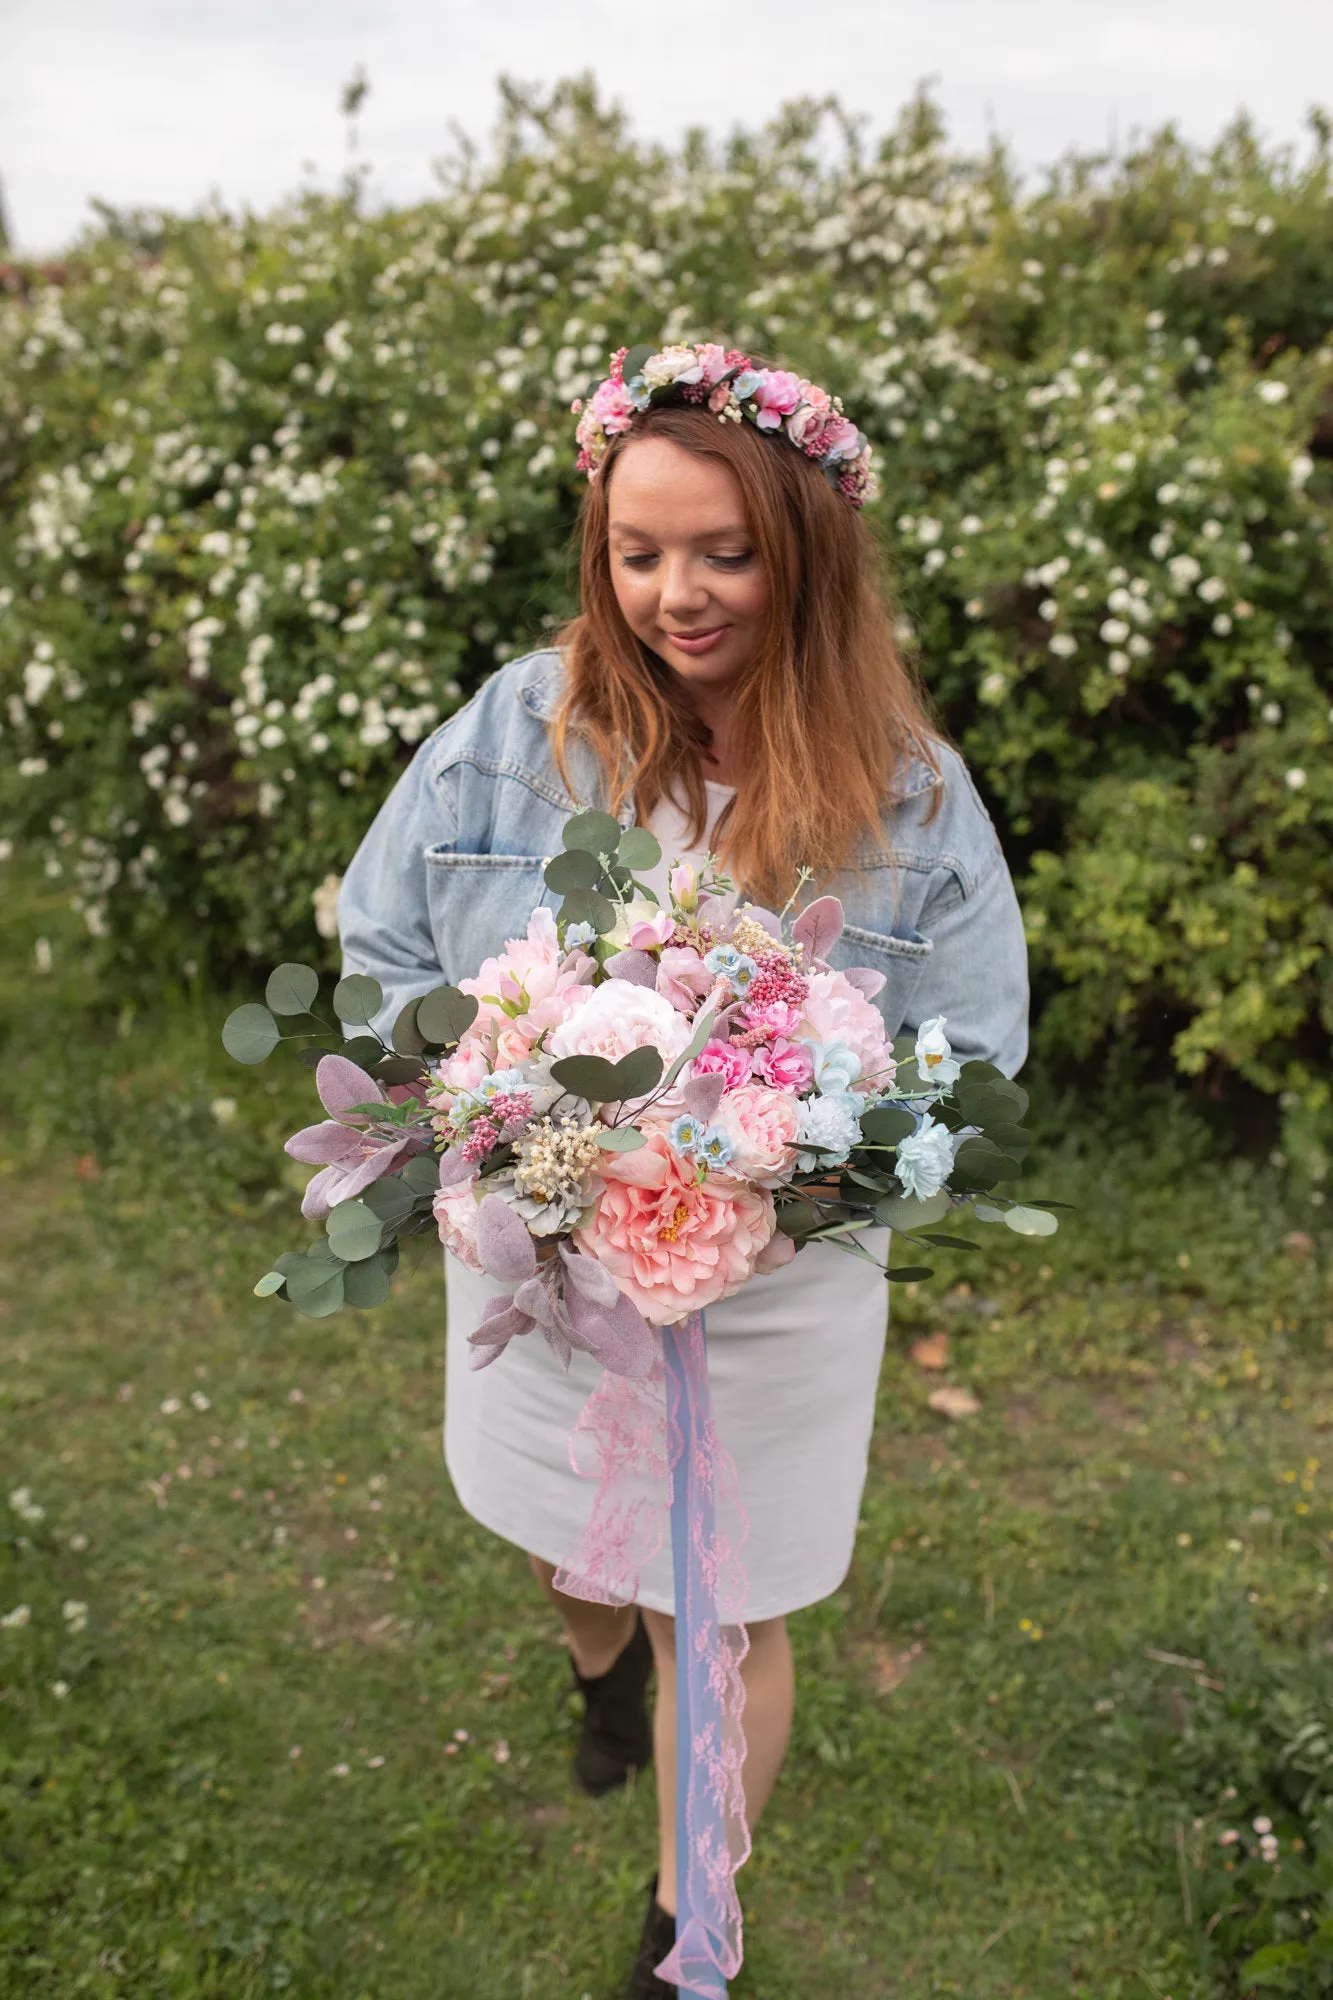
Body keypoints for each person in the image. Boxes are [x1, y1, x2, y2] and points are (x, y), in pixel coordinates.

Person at [338, 341, 1029, 1997]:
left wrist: (786, 1187)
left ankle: (684, 1936)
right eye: (639, 554)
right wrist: (489, 1106)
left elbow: (975, 1066)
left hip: (776, 1299)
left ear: (804, 549)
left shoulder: (909, 792)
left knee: (716, 1615)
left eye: (724, 553)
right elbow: (382, 941)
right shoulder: (524, 721)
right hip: (546, 1265)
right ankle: (593, 1671)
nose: (677, 596)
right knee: (577, 1550)